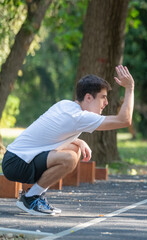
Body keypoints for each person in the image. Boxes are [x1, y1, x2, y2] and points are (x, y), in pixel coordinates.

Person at [2, 65, 134, 216]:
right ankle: (31, 198)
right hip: (17, 163)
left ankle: (34, 195)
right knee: (69, 158)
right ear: (88, 98)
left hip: (14, 159)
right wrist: (130, 88)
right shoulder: (79, 117)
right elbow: (124, 120)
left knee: (75, 151)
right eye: (103, 97)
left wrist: (79, 142)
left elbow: (50, 138)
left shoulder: (66, 105)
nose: (106, 103)